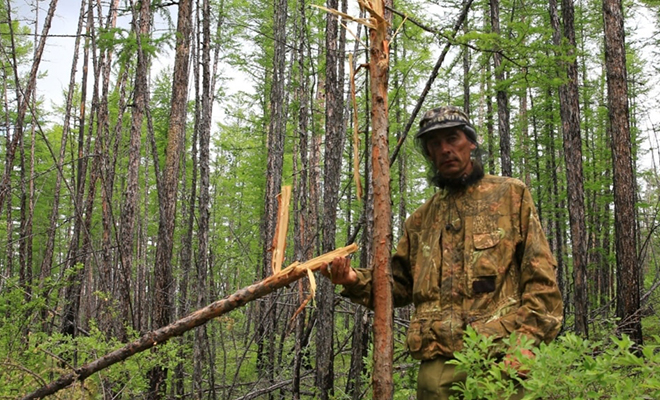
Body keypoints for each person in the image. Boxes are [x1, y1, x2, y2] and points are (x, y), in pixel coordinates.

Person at [321, 105, 563, 399]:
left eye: (453, 139)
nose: (446, 149)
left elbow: (541, 278)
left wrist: (526, 343)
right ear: (429, 154)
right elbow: (397, 286)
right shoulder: (421, 219)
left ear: (471, 142)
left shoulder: (510, 195)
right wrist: (351, 279)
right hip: (437, 364)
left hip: (500, 354)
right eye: (435, 144)